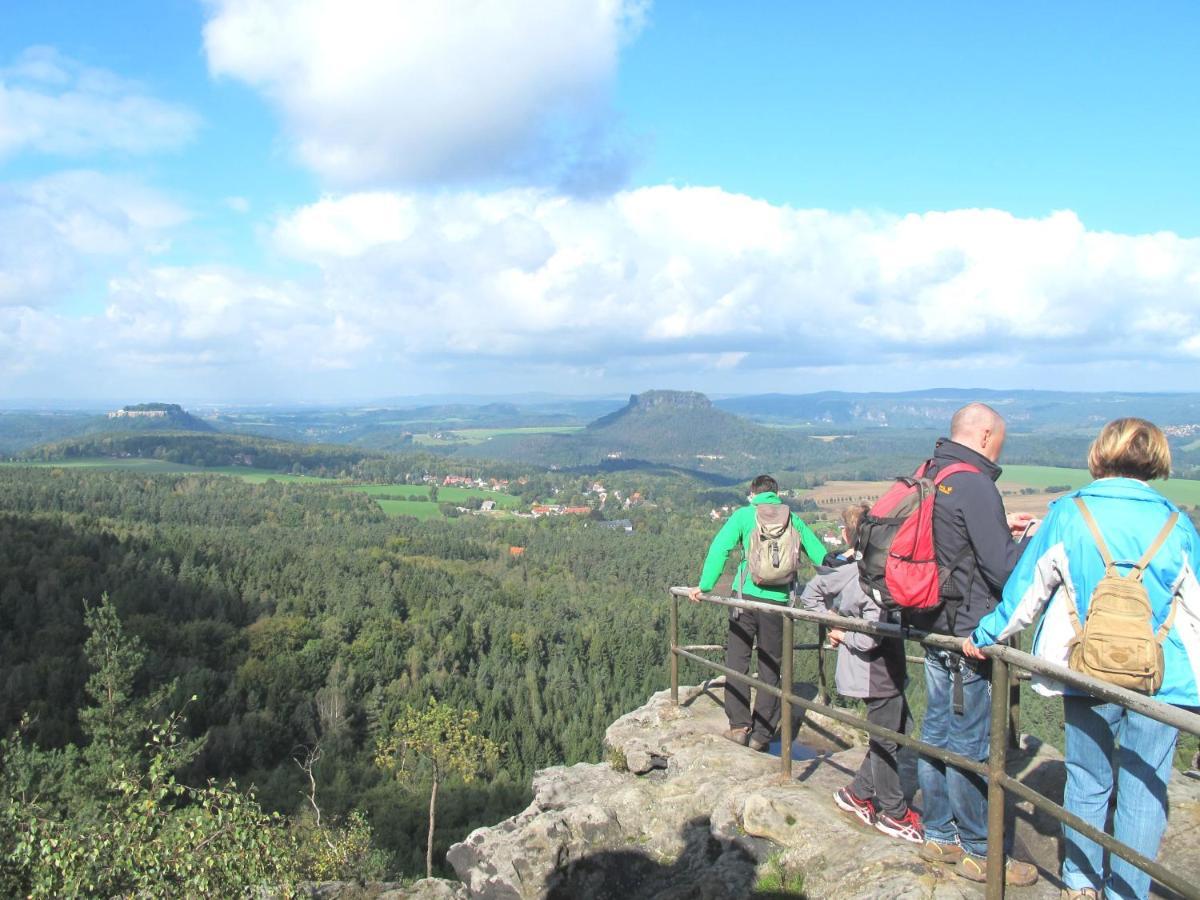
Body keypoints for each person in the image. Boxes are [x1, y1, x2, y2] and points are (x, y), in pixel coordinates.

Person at [964, 418, 1200, 900]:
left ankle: (1079, 883)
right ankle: (1126, 892)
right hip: (1163, 679)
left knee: (1088, 780)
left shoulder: (1071, 513)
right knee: (1143, 793)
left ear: (1100, 452)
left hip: (1087, 670)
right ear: (1156, 458)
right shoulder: (1177, 522)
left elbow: (1026, 594)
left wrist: (985, 635)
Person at [910, 403, 1039, 886]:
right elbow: (1004, 569)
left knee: (937, 728)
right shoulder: (976, 484)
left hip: (930, 623)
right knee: (969, 741)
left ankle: (938, 834)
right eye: (999, 441)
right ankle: (979, 850)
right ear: (985, 435)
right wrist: (1031, 540)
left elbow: (951, 543)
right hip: (968, 631)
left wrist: (999, 531)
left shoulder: (930, 472)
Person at [798, 504, 923, 843]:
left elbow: (812, 595)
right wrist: (842, 631)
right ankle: (894, 813)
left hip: (884, 668)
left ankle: (858, 793)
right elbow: (868, 636)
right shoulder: (868, 572)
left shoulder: (855, 569)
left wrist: (836, 625)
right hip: (874, 671)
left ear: (846, 535)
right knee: (887, 738)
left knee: (900, 728)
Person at [688, 475, 826, 751]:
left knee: (737, 661)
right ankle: (762, 734)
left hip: (745, 601)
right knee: (770, 667)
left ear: (753, 493)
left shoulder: (743, 516)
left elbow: (721, 549)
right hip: (778, 604)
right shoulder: (792, 519)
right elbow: (821, 555)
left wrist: (705, 586)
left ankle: (739, 726)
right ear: (776, 494)